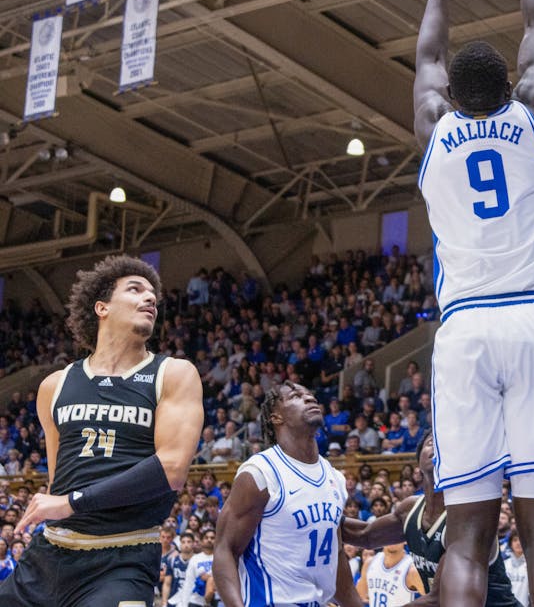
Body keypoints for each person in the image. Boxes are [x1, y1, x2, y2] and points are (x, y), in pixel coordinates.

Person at [410, 0, 534, 607]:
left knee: (467, 537)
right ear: (513, 87)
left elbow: (425, 57)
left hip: (465, 330)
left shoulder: (432, 128)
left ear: (451, 97)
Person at [0, 255, 203, 606]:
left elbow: (171, 470)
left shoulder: (173, 374)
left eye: (153, 294)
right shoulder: (55, 384)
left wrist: (72, 503)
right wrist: (63, 501)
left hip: (123, 559)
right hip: (49, 556)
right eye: (136, 289)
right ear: (101, 307)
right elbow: (59, 479)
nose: (151, 298)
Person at [212, 382, 362, 607]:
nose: (310, 398)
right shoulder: (261, 473)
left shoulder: (335, 478)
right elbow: (225, 550)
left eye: (310, 394)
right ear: (276, 417)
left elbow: (336, 555)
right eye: (296, 396)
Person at [342, 433, 523, 606]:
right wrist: (322, 517)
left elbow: (439, 599)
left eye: (443, 446)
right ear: (418, 461)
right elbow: (366, 535)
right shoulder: (410, 510)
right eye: (431, 443)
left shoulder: (467, 517)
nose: (437, 448)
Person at [358, 542, 425, 606]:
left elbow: (433, 601)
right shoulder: (370, 563)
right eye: (388, 533)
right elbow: (360, 596)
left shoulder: (411, 570)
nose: (392, 539)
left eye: (396, 534)